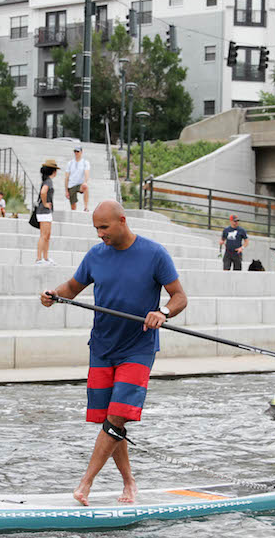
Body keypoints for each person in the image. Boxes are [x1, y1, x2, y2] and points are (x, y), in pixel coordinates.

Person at [40, 200, 187, 505]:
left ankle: (85, 483)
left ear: (122, 221)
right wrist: (53, 295)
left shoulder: (154, 254)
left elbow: (179, 296)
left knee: (116, 415)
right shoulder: (96, 255)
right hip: (103, 347)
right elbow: (71, 287)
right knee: (110, 419)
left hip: (138, 348)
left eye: (104, 227)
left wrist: (163, 312)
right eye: (96, 228)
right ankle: (130, 484)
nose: (99, 234)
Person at [35, 160, 58, 266]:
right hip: (44, 210)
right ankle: (39, 258)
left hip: (45, 211)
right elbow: (43, 192)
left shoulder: (47, 180)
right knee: (44, 235)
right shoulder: (48, 181)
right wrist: (45, 203)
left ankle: (45, 257)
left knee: (47, 235)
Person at [65, 145, 91, 212]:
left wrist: (85, 181)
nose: (76, 153)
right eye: (75, 151)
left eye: (78, 151)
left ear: (81, 152)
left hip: (80, 183)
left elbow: (86, 173)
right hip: (71, 184)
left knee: (85, 187)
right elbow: (67, 177)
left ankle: (86, 207)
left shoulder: (85, 162)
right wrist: (66, 190)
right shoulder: (70, 163)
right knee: (73, 207)